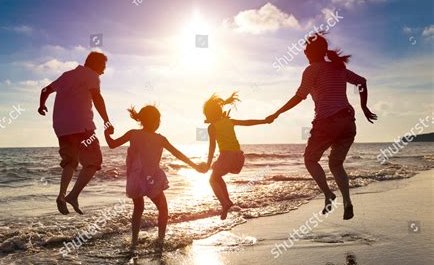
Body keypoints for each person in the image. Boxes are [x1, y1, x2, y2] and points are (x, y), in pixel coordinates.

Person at [266, 33, 377, 220]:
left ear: (310, 52)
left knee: (310, 159)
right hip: (348, 122)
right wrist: (364, 106)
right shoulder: (337, 67)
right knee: (336, 164)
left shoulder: (311, 70)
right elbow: (362, 81)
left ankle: (328, 194)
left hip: (327, 121)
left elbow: (299, 96)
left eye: (306, 49)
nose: (304, 52)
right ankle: (347, 202)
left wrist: (277, 113)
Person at [104, 105, 207, 249]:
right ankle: (160, 240)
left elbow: (112, 144)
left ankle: (134, 242)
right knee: (163, 207)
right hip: (151, 179)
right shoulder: (160, 139)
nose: (158, 123)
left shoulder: (133, 133)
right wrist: (194, 165)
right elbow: (177, 154)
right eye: (157, 120)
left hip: (135, 179)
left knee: (138, 208)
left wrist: (106, 133)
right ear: (153, 121)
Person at [38, 52, 114, 215]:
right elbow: (97, 97)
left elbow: (45, 90)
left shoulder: (66, 75)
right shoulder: (92, 76)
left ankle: (61, 195)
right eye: (103, 66)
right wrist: (106, 120)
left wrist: (41, 105)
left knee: (70, 162)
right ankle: (72, 196)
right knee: (94, 162)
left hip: (61, 128)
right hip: (82, 126)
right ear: (96, 64)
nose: (103, 71)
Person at [203, 92, 271, 220]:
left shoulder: (212, 127)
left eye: (207, 115)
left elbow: (212, 147)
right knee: (217, 177)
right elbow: (247, 122)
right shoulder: (229, 121)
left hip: (226, 156)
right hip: (238, 157)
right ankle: (227, 201)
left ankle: (225, 203)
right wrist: (264, 121)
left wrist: (207, 164)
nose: (206, 117)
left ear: (211, 114)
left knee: (212, 179)